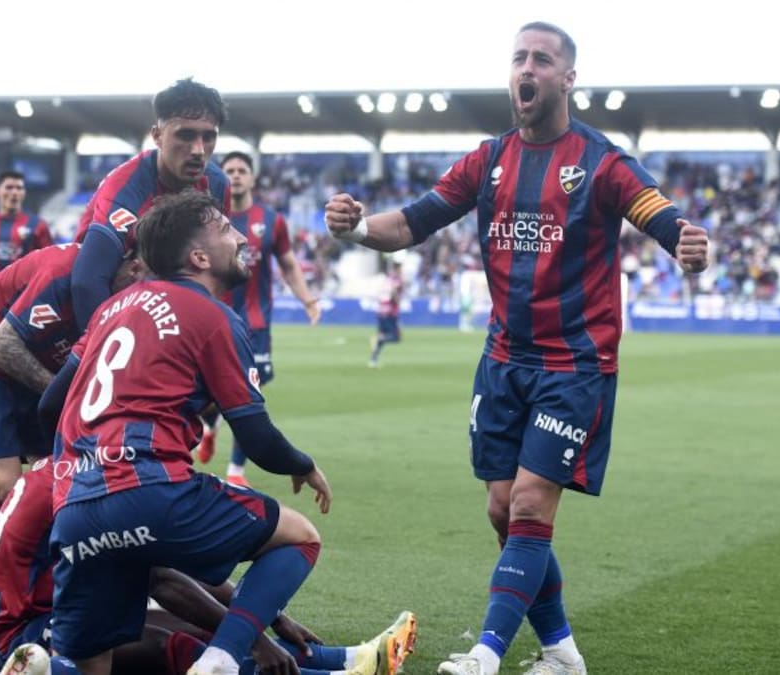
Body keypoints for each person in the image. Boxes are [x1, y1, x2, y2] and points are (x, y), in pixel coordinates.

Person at [324, 22, 710, 675]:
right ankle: (561, 651)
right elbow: (412, 221)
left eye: (542, 59)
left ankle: (486, 652)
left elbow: (656, 211)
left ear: (567, 78)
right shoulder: (488, 159)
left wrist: (683, 242)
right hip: (503, 361)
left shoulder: (602, 160)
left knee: (531, 503)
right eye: (518, 58)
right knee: (504, 510)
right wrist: (357, 225)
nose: (526, 69)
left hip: (573, 366)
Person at [48, 191, 360, 675]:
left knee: (93, 664)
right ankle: (221, 658)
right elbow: (256, 437)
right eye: (224, 229)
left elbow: (52, 403)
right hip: (152, 489)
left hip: (74, 510)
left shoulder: (111, 309)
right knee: (300, 536)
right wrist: (303, 464)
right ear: (198, 257)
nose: (239, 236)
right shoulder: (213, 316)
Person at [0, 457, 416, 675]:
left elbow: (179, 575)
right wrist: (258, 639)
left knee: (210, 630)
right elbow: (163, 579)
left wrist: (271, 619)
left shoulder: (72, 464)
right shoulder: (98, 482)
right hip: (22, 631)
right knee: (170, 644)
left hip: (36, 613)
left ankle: (350, 659)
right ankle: (42, 669)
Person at [0, 241, 146, 656]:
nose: (143, 281)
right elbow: (1, 346)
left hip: (36, 369)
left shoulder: (119, 288)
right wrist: (65, 395)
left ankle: (40, 597)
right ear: (124, 259)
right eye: (139, 270)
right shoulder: (62, 273)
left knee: (58, 476)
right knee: (0, 484)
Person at [195, 151, 321, 486]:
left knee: (249, 393)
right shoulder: (205, 218)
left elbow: (289, 264)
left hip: (255, 324)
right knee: (207, 392)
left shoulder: (271, 219)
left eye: (242, 170)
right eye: (230, 170)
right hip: (211, 321)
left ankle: (236, 471)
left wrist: (307, 299)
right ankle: (210, 426)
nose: (235, 175)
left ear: (252, 178)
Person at [69, 77, 230, 339]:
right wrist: (107, 354)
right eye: (186, 135)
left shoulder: (218, 183)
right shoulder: (123, 191)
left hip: (167, 315)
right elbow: (87, 283)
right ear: (157, 135)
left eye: (209, 137)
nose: (199, 150)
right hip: (105, 316)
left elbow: (216, 268)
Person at [367, 260, 403, 368]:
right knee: (395, 337)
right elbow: (393, 294)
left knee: (383, 335)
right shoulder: (396, 281)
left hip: (381, 311)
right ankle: (378, 339)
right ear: (397, 269)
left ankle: (373, 359)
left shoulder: (386, 280)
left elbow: (380, 295)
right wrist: (397, 301)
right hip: (389, 312)